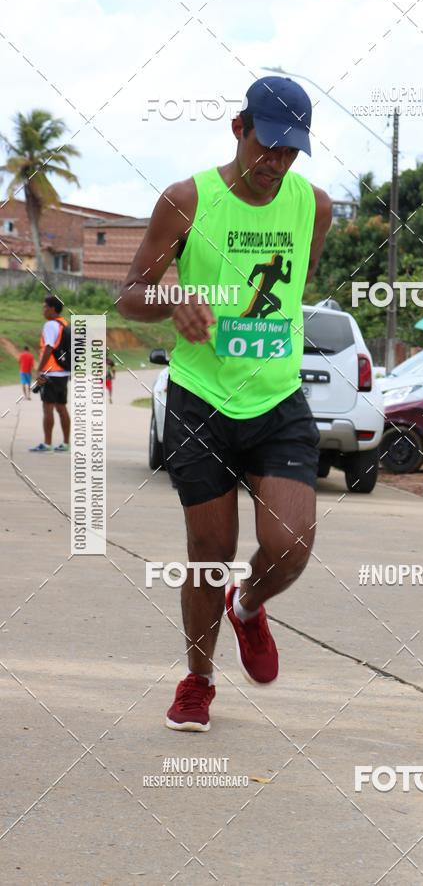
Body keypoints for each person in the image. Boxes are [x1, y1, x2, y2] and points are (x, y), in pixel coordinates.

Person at [119, 76, 332, 732]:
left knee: (290, 545)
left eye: (291, 151)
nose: (277, 162)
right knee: (209, 553)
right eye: (268, 145)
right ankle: (198, 679)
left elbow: (297, 286)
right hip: (200, 400)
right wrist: (173, 300)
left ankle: (248, 606)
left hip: (276, 398)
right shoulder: (186, 200)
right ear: (239, 128)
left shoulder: (315, 206)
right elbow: (130, 294)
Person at [30, 296, 71, 453]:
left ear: (52, 309)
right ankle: (66, 443)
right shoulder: (64, 324)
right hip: (64, 372)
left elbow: (48, 348)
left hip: (51, 372)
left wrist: (39, 369)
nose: (43, 310)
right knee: (61, 408)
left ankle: (47, 444)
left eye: (45, 307)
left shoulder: (50, 325)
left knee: (48, 408)